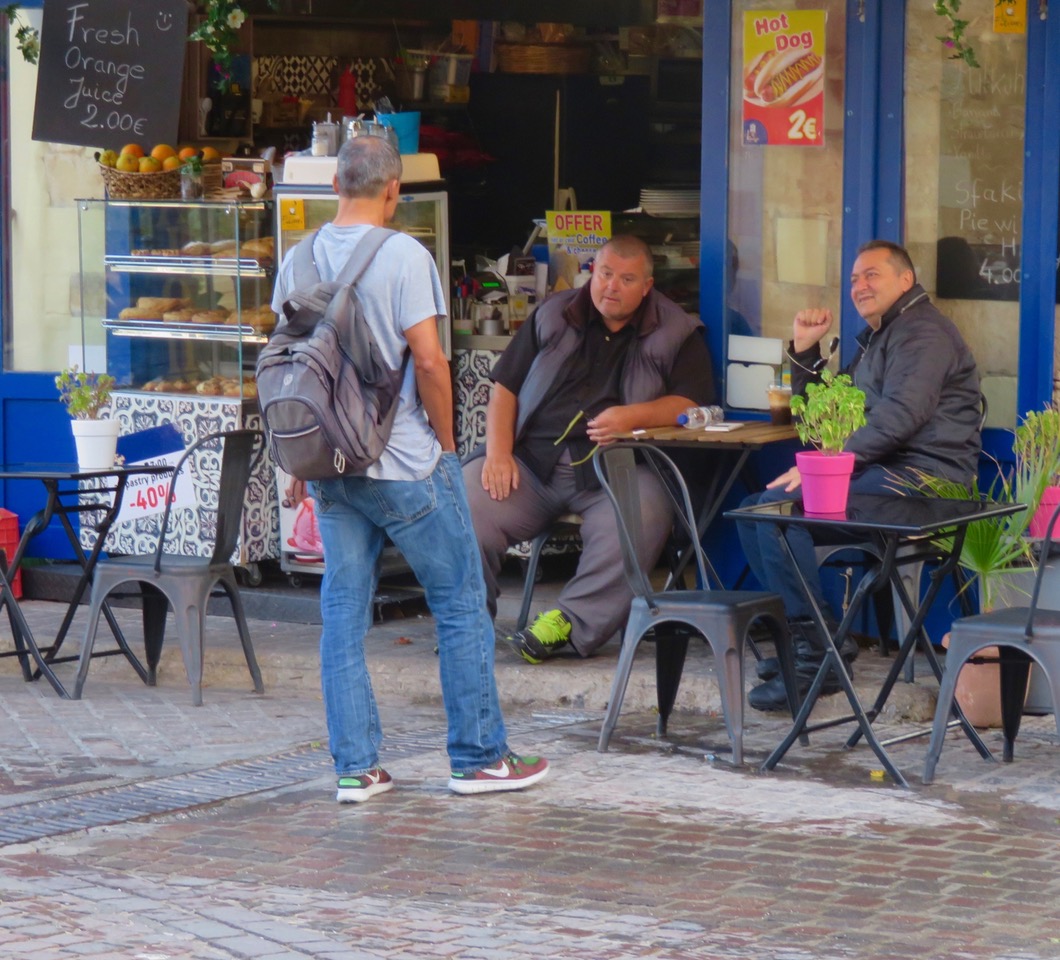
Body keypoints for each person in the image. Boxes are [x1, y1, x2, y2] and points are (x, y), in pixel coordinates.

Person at [271, 136, 548, 801]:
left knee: (342, 612)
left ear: (336, 185)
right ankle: (480, 757)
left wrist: (296, 459)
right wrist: (449, 449)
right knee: (458, 604)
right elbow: (429, 361)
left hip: (333, 463)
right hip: (406, 465)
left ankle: (355, 767)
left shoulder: (297, 258)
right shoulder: (404, 255)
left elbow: (289, 365)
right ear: (394, 191)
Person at [737, 239, 982, 711]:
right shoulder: (881, 337)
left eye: (872, 275)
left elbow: (900, 416)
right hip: (882, 474)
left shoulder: (923, 333)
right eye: (853, 279)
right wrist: (806, 354)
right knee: (756, 510)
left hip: (924, 483)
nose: (859, 285)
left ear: (906, 280)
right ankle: (811, 643)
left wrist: (832, 466)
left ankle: (817, 659)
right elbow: (826, 419)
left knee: (781, 516)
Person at [463, 234, 717, 663]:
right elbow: (504, 386)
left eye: (626, 278)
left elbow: (691, 403)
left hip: (617, 468)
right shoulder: (553, 313)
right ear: (592, 272)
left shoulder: (677, 330)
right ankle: (465, 624)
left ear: (647, 286)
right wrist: (498, 453)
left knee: (645, 515)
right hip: (532, 464)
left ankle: (568, 622)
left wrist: (631, 416)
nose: (611, 286)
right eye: (604, 274)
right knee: (465, 503)